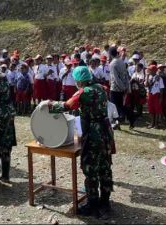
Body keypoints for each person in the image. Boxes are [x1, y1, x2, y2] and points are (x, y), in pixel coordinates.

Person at [39, 66, 115, 219]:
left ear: (79, 80)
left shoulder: (83, 92)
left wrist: (49, 103)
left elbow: (66, 106)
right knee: (105, 167)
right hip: (106, 131)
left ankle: (92, 205)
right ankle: (105, 202)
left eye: (76, 80)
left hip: (93, 133)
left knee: (91, 168)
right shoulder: (101, 88)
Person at [109, 46, 129, 120]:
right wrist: (125, 87)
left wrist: (121, 87)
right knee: (121, 104)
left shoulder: (112, 63)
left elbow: (115, 78)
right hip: (122, 87)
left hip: (115, 88)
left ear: (110, 54)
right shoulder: (121, 61)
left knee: (114, 105)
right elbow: (126, 75)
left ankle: (116, 121)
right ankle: (122, 118)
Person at [145, 64, 164, 129]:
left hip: (157, 95)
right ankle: (152, 122)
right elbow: (146, 85)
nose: (148, 71)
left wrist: (161, 98)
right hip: (150, 95)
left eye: (150, 70)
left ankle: (156, 124)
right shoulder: (149, 77)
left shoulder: (159, 78)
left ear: (153, 71)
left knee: (157, 110)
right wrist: (147, 76)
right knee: (151, 109)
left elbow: (161, 88)